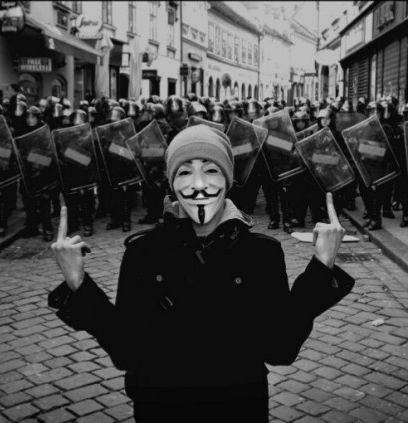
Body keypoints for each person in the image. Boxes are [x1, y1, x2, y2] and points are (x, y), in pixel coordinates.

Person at [49, 125, 354, 423]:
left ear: (227, 179)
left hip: (237, 407)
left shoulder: (260, 253)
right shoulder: (145, 252)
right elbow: (126, 351)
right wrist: (79, 284)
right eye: (184, 172)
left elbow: (280, 349)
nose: (198, 183)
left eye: (210, 170)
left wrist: (321, 267)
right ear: (172, 183)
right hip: (160, 407)